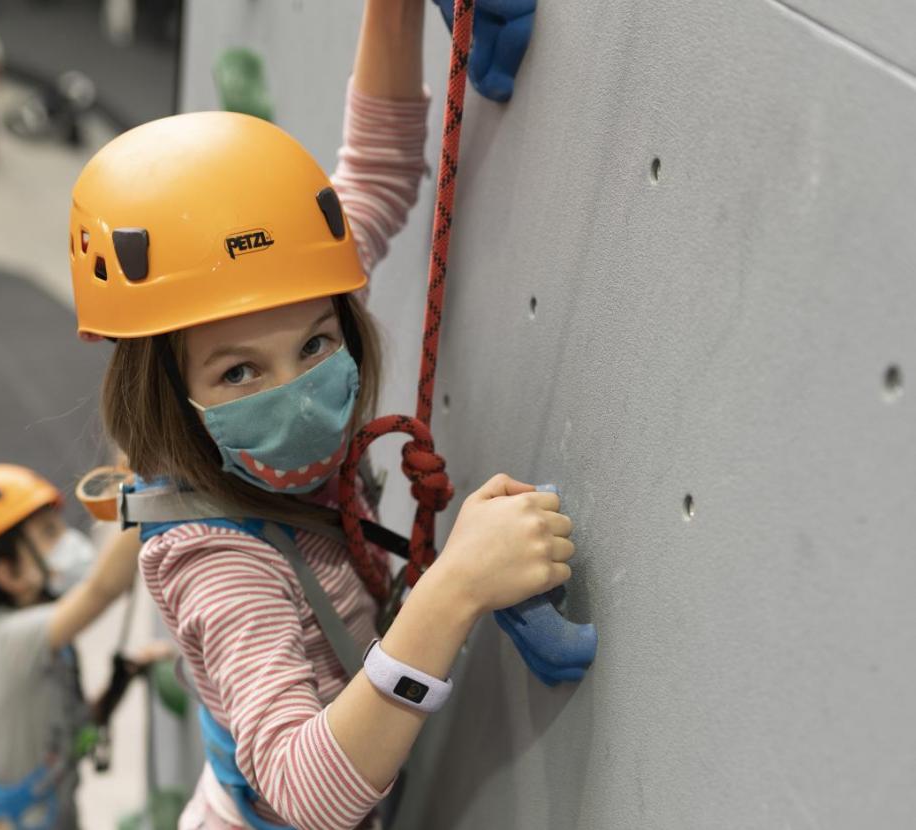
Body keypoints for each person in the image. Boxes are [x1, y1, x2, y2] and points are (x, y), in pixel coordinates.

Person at [68, 2, 577, 828]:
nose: (296, 386)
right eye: (238, 372)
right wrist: (454, 590)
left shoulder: (288, 303)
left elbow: (373, 177)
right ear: (170, 392)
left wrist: (393, 11)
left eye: (314, 347)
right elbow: (304, 795)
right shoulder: (218, 560)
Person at [0, 463, 158, 830]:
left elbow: (65, 736)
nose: (68, 539)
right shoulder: (12, 641)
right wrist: (154, 496)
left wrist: (116, 687)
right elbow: (102, 589)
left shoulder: (31, 646)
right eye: (49, 533)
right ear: (10, 574)